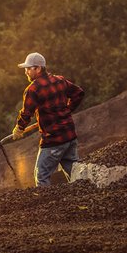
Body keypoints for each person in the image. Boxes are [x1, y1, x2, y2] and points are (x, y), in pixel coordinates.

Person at [13, 52, 85, 187]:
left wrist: (19, 128)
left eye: (29, 68)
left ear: (38, 68)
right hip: (69, 136)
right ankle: (84, 196)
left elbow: (26, 113)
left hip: (53, 140)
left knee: (41, 175)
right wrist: (68, 110)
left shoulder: (33, 89)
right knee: (75, 173)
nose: (26, 72)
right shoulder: (60, 80)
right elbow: (79, 93)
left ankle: (47, 206)